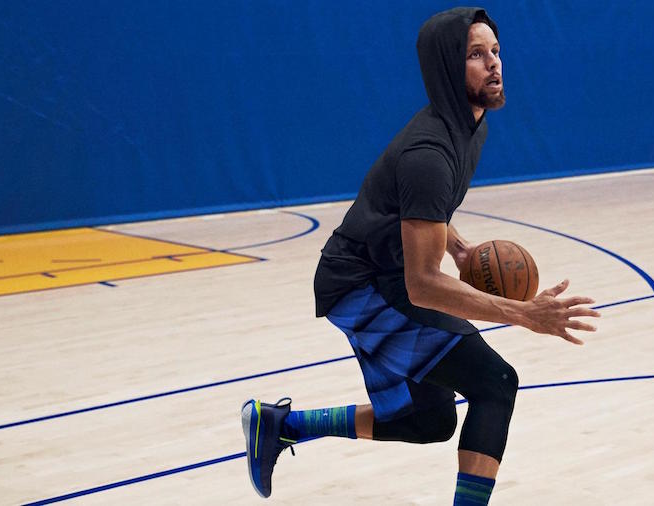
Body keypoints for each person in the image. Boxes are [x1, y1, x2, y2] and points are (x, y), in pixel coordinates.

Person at [242, 7, 600, 504]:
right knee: (496, 383)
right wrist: (524, 314)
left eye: (496, 51)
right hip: (361, 285)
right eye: (476, 55)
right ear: (448, 68)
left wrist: (461, 248)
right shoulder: (429, 153)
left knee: (429, 421)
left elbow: (420, 213)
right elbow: (424, 285)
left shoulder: (470, 127)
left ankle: (281, 425)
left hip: (380, 276)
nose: (494, 63)